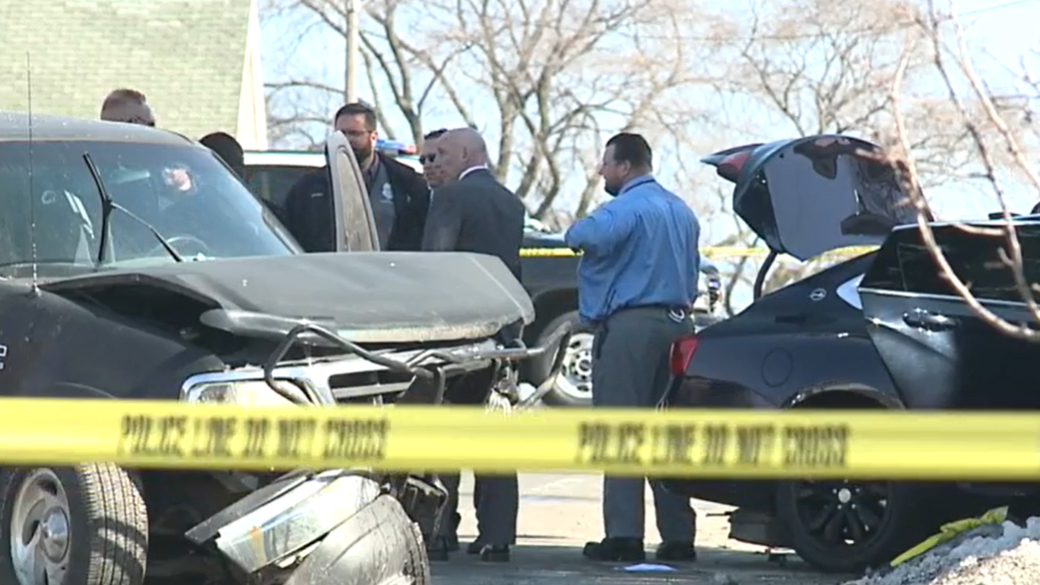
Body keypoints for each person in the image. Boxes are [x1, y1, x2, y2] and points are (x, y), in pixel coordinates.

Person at [565, 132, 700, 563]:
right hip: (681, 327)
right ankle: (679, 535)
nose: (601, 171)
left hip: (632, 328)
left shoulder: (625, 207)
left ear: (624, 166)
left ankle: (624, 536)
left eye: (606, 163)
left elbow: (580, 235)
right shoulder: (683, 211)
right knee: (667, 433)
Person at [422, 127, 524, 563]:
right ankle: (497, 536)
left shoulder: (449, 199)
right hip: (502, 335)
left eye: (442, 153)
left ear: (466, 153)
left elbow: (435, 267)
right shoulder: (511, 202)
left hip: (457, 336)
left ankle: (440, 531)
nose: (436, 162)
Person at [282, 102, 429, 252]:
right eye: (341, 134)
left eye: (354, 133)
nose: (346, 140)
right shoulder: (308, 188)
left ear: (373, 137)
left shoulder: (406, 183)